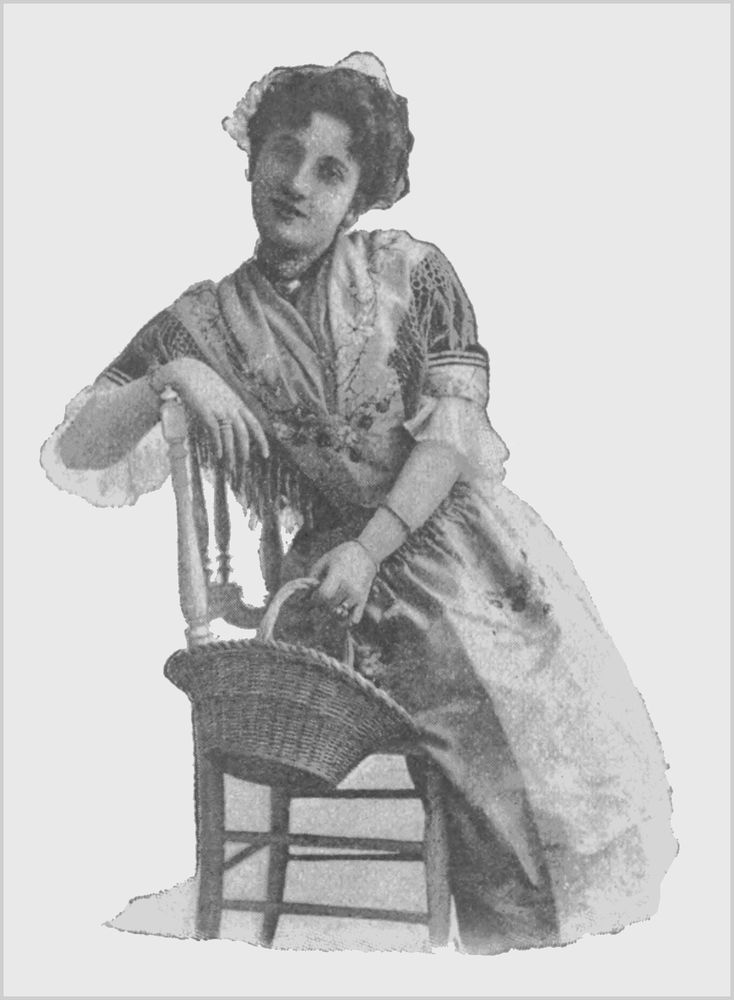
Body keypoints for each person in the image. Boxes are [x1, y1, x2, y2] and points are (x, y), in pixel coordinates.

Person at [41, 52, 676, 954]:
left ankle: (529, 944)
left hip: (456, 547)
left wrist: (374, 547)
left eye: (329, 170)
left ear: (359, 196)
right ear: (252, 157)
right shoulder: (206, 320)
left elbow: (450, 435)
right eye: (284, 152)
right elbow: (78, 447)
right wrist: (172, 375)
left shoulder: (412, 273)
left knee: (517, 726)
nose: (297, 184)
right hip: (331, 594)